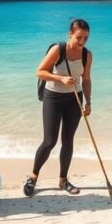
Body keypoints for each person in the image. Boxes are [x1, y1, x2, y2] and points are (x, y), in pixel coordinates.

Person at [24, 18, 93, 197]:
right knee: (49, 141)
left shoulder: (87, 55)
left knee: (68, 140)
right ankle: (33, 176)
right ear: (70, 34)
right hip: (53, 97)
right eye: (79, 37)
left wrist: (88, 101)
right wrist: (60, 78)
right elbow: (40, 72)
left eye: (86, 38)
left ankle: (63, 180)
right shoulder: (58, 50)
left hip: (74, 99)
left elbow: (86, 79)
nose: (82, 41)